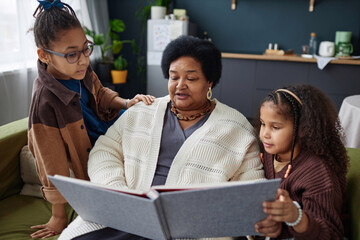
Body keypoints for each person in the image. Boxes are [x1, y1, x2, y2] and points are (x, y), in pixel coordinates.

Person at [59, 35, 267, 240]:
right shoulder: (142, 111)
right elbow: (105, 150)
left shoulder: (237, 128)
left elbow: (250, 188)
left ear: (210, 81)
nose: (180, 85)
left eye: (191, 78)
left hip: (191, 228)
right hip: (123, 216)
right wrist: (119, 193)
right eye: (174, 77)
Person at [28, 0, 154, 239]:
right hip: (95, 151)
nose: (84, 59)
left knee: (151, 111)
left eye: (86, 49)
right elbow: (50, 162)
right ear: (44, 55)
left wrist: (127, 103)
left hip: (110, 128)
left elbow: (101, 93)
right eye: (72, 54)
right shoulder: (44, 101)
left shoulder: (80, 69)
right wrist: (59, 214)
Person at [254, 84, 349, 239]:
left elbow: (332, 234)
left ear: (302, 129)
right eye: (263, 123)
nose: (264, 134)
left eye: (275, 127)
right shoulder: (268, 152)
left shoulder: (318, 173)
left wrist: (297, 217)